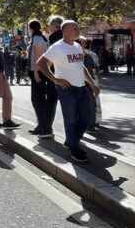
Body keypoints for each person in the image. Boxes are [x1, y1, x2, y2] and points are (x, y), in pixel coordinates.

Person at [37, 20, 101, 164]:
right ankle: (74, 148)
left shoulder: (78, 46)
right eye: (74, 28)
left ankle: (72, 140)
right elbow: (41, 64)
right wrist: (55, 79)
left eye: (78, 28)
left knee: (86, 117)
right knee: (71, 119)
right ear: (65, 31)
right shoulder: (57, 47)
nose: (78, 30)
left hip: (82, 87)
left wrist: (92, 84)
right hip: (67, 89)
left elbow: (81, 67)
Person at [28, 20, 56, 139]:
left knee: (37, 100)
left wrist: (36, 73)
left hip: (39, 72)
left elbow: (39, 58)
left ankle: (43, 126)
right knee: (38, 100)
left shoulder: (38, 39)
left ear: (31, 28)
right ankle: (41, 125)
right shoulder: (41, 38)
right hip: (39, 72)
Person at [81, 38, 102, 130]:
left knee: (89, 102)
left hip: (86, 81)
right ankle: (94, 121)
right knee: (94, 101)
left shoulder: (84, 54)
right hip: (91, 79)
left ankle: (89, 123)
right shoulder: (92, 54)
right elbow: (96, 68)